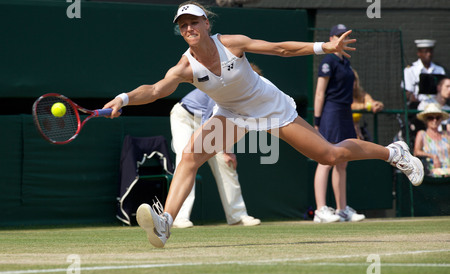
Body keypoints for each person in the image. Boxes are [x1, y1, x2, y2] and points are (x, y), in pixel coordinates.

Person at [103, 2, 424, 248]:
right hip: (231, 114)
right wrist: (124, 98)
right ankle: (166, 223)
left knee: (329, 155)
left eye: (193, 21)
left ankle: (393, 152)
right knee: (190, 155)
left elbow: (280, 49)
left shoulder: (231, 43)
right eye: (183, 25)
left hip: (271, 108)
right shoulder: (185, 66)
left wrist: (324, 47)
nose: (188, 27)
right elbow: (157, 90)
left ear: (206, 22)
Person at [170, 87, 261, 228]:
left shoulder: (243, 95)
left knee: (226, 163)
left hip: (209, 123)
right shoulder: (224, 86)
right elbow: (209, 118)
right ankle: (179, 216)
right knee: (185, 160)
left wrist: (227, 150)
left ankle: (237, 216)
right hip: (185, 117)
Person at [313, 25, 366, 223]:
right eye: (338, 36)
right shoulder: (328, 61)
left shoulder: (346, 64)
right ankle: (320, 210)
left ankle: (341, 209)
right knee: (325, 160)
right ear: (331, 38)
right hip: (331, 113)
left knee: (342, 161)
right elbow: (320, 93)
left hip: (345, 112)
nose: (342, 39)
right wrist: (317, 122)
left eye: (345, 36)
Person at [403, 39, 446, 106]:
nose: (429, 54)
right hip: (417, 105)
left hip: (436, 105)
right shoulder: (410, 70)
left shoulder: (439, 70)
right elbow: (407, 92)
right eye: (425, 52)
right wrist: (411, 97)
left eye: (430, 52)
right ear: (419, 53)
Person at [414, 103, 450, 177]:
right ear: (426, 120)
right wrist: (432, 156)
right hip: (431, 172)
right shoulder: (422, 134)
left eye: (437, 118)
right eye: (431, 118)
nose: (434, 120)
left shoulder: (447, 134)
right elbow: (416, 152)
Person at [351, 69, 384, 140]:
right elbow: (349, 106)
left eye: (354, 79)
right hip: (339, 133)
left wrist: (377, 105)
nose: (352, 82)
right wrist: (363, 106)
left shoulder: (360, 94)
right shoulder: (338, 96)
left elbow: (370, 102)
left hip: (356, 135)